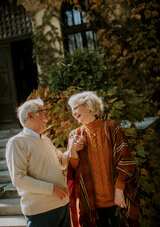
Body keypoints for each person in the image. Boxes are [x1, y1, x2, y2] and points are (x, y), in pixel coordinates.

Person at [6, 98, 84, 227]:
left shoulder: (46, 140)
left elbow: (62, 162)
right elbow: (18, 179)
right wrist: (51, 189)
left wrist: (73, 149)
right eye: (44, 113)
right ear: (30, 115)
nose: (47, 117)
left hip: (62, 206)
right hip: (41, 212)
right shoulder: (17, 142)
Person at [67, 91, 139, 227]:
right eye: (72, 110)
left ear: (89, 106)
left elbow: (126, 161)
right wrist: (73, 151)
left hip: (117, 200)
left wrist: (119, 190)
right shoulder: (75, 135)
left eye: (76, 108)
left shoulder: (111, 128)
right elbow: (73, 171)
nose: (73, 113)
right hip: (92, 206)